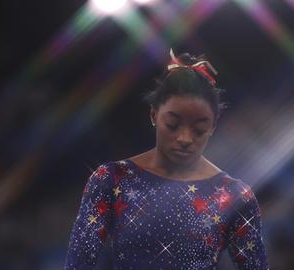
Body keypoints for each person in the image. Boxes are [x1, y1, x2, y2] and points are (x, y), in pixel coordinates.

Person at [64, 49, 268, 269]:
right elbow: (78, 263)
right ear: (154, 115)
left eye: (199, 129)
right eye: (173, 124)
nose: (184, 138)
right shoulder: (112, 180)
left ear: (213, 126)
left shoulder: (235, 196)